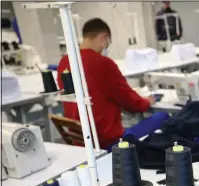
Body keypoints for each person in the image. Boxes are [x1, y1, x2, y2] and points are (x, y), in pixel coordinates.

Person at [57, 18, 165, 150]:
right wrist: (147, 101)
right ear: (104, 37)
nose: (105, 48)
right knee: (163, 117)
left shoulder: (64, 62)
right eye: (108, 43)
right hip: (107, 142)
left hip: (80, 142)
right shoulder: (103, 63)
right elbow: (129, 101)